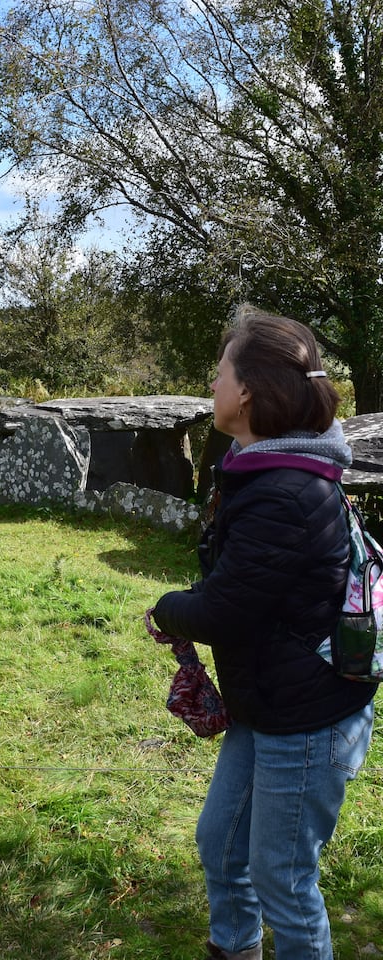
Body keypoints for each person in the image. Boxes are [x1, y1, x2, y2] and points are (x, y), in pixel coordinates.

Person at [151, 305, 375, 960]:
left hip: (306, 720)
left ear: (247, 389)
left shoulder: (283, 489)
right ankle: (235, 950)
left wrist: (168, 608)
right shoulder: (273, 472)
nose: (213, 386)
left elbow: (225, 609)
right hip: (273, 703)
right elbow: (248, 591)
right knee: (221, 845)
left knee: (284, 878)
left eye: (219, 374)